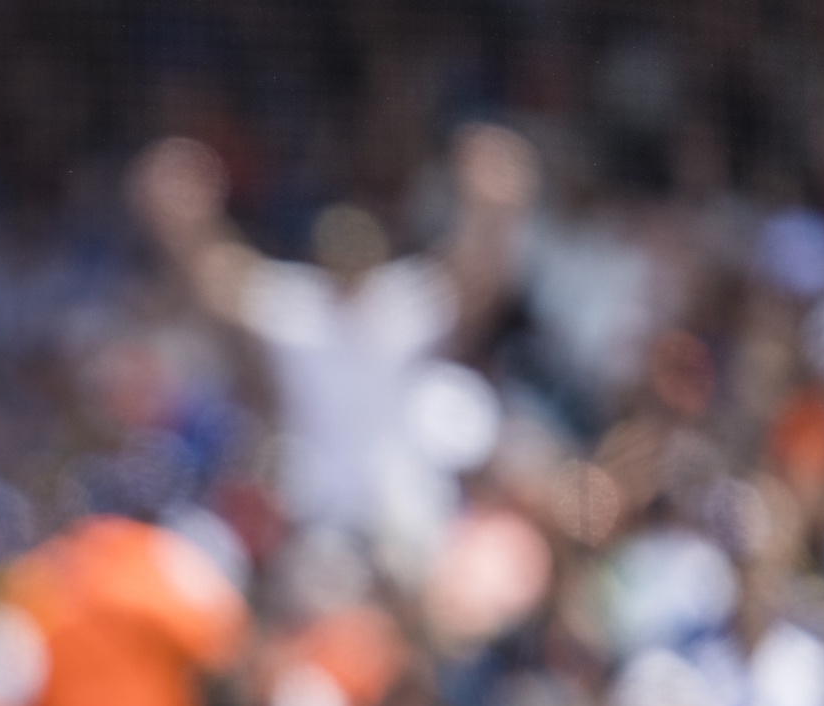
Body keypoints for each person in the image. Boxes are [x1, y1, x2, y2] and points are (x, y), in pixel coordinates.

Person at [129, 125, 538, 535]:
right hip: (319, 511)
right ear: (320, 261)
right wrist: (183, 220)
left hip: (409, 507)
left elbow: (476, 279)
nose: (349, 269)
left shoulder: (397, 305)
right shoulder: (305, 311)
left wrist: (494, 210)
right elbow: (219, 280)